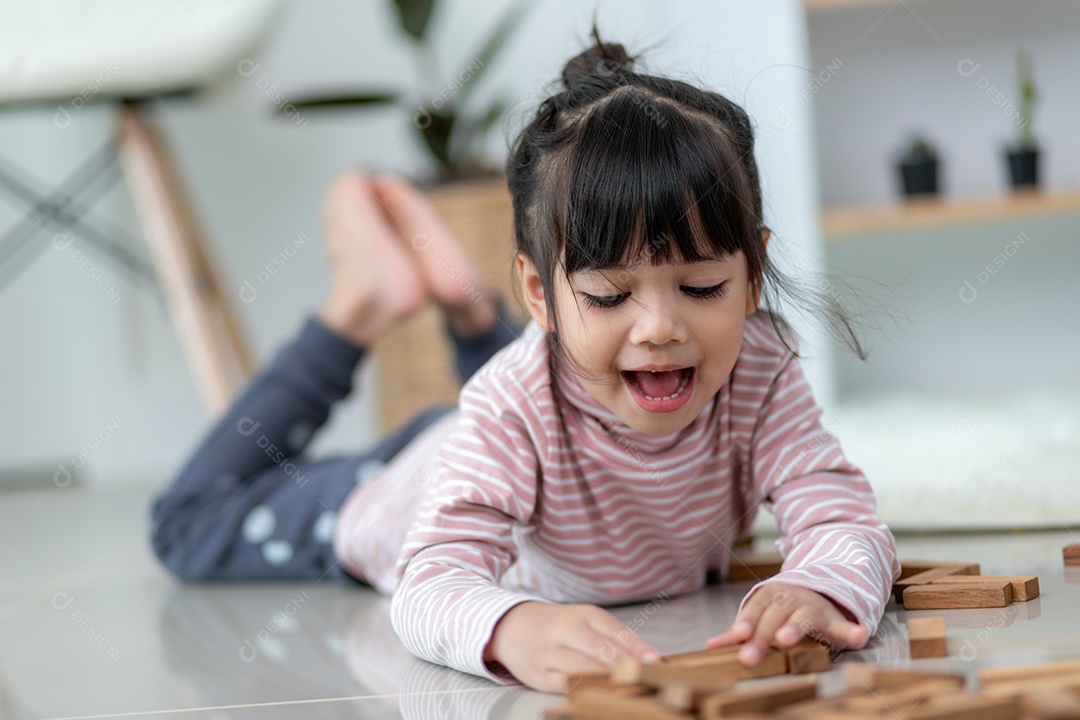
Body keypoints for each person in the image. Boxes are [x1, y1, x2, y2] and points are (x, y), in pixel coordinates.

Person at [151, 36, 900, 693]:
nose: (663, 328)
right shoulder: (512, 403)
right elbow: (429, 583)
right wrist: (511, 629)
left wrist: (823, 585)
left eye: (702, 287)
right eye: (611, 296)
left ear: (754, 276)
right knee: (185, 526)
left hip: (516, 430)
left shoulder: (761, 366)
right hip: (393, 491)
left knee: (568, 370)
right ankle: (358, 307)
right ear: (540, 292)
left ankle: (472, 311)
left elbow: (841, 514)